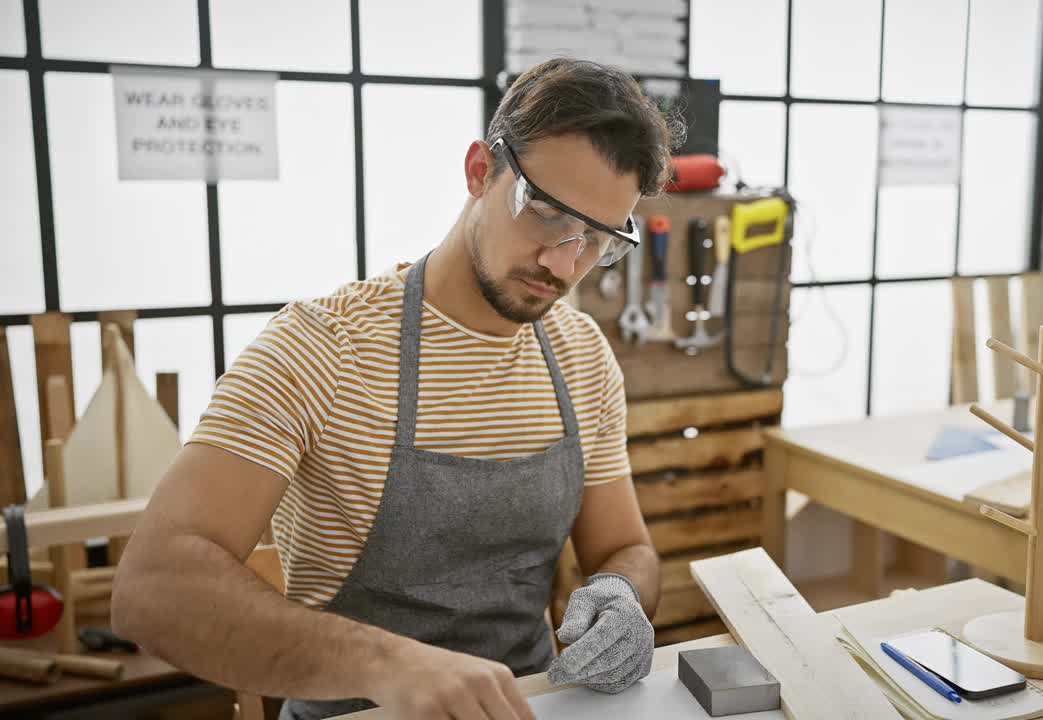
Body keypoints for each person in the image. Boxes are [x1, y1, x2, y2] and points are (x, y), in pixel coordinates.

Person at [112, 57, 684, 720]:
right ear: (479, 172)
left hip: (528, 707)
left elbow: (624, 548)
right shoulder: (322, 348)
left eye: (597, 239)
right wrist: (387, 664)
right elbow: (153, 588)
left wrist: (620, 592)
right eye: (549, 215)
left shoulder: (583, 360)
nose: (564, 263)